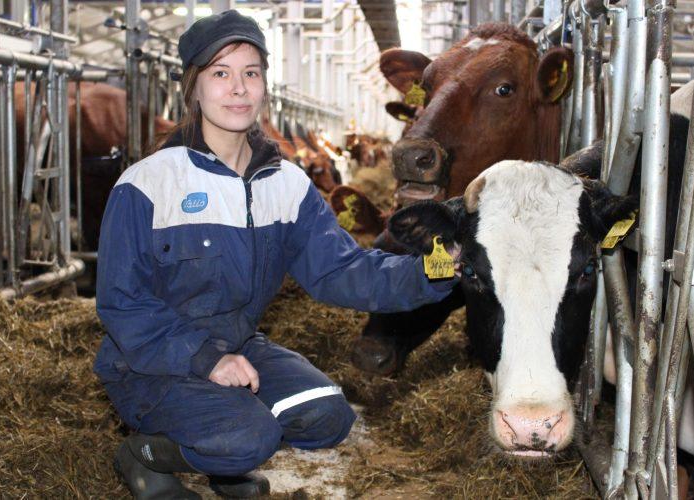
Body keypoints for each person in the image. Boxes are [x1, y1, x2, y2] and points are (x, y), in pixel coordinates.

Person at [94, 9, 457, 499]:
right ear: (193, 88)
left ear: (265, 84)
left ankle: (225, 456)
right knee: (250, 437)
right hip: (150, 363)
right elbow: (122, 303)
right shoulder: (148, 184)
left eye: (251, 73)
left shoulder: (286, 184)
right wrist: (206, 359)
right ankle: (145, 456)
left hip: (237, 347)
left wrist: (437, 268)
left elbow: (344, 269)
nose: (238, 89)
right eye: (220, 74)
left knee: (329, 415)